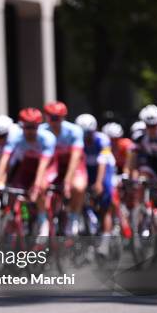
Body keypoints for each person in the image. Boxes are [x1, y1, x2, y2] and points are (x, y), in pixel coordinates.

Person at [0, 108, 55, 238]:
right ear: (22, 126)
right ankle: (12, 221)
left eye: (33, 127)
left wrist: (37, 186)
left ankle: (43, 220)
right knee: (12, 192)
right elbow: (5, 159)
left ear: (38, 126)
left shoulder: (47, 138)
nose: (30, 131)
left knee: (40, 187)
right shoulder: (15, 138)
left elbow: (43, 167)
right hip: (26, 167)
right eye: (27, 127)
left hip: (45, 168)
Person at [40, 101, 87, 236]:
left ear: (63, 118)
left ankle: (74, 216)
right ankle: (42, 219)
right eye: (51, 118)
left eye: (58, 118)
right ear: (46, 117)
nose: (54, 121)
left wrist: (67, 181)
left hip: (73, 164)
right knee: (40, 186)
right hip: (54, 164)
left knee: (78, 187)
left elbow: (76, 157)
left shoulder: (74, 131)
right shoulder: (42, 131)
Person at [128, 105, 157, 236]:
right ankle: (144, 212)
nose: (151, 128)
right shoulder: (139, 134)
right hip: (150, 163)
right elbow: (133, 156)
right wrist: (130, 174)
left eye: (154, 125)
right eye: (148, 125)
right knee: (141, 182)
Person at [76, 114, 116, 254]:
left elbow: (102, 162)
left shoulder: (103, 140)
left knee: (104, 203)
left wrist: (99, 183)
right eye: (84, 134)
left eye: (89, 133)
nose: (87, 137)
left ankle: (105, 242)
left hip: (104, 169)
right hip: (87, 169)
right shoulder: (78, 140)